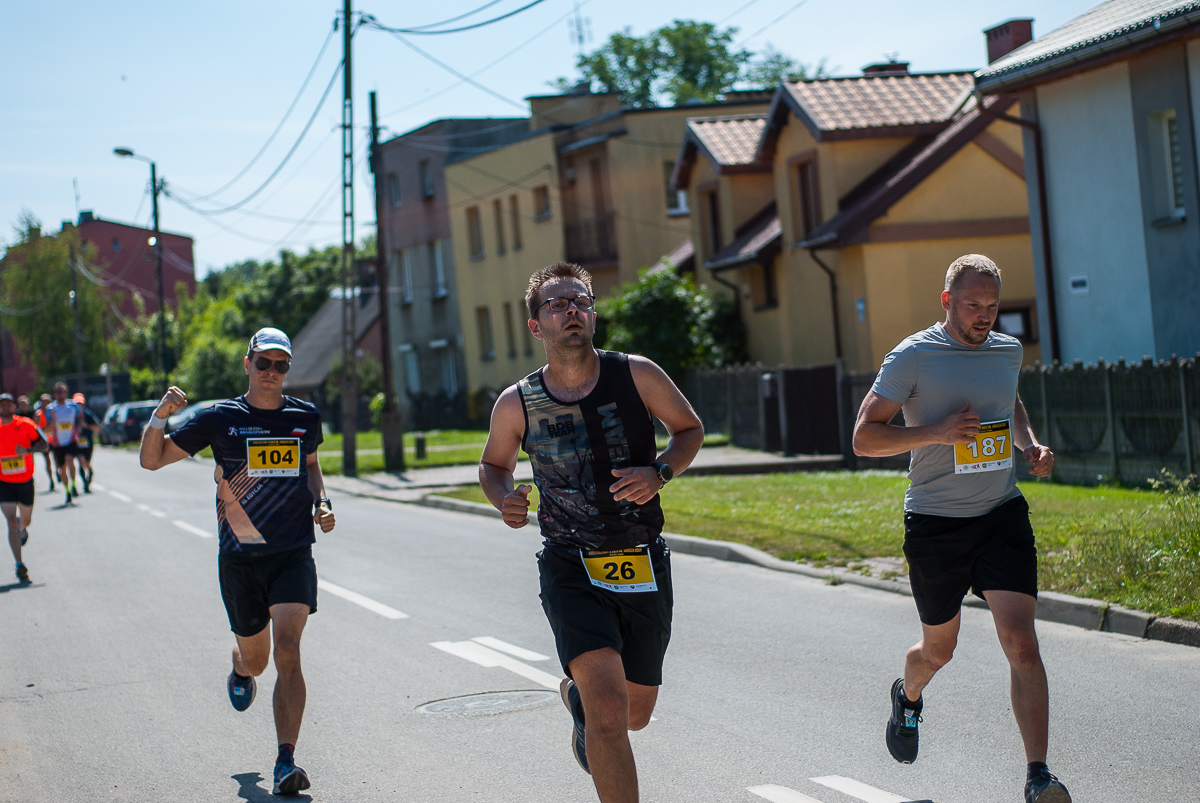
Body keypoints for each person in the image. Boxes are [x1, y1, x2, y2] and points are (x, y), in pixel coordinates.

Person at [480, 262, 704, 803]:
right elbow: (493, 466)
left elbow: (689, 429)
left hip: (641, 556)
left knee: (635, 713)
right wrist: (504, 498)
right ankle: (591, 706)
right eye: (556, 305)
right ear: (537, 327)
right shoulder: (518, 402)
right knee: (609, 711)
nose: (570, 311)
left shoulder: (637, 375)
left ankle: (579, 703)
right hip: (569, 562)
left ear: (593, 313)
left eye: (579, 301)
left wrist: (662, 472)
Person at [852, 255, 1069, 803]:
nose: (984, 316)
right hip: (936, 523)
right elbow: (864, 437)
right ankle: (908, 693)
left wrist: (1029, 444)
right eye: (973, 305)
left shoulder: (1007, 350)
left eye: (992, 307)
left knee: (1021, 641)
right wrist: (937, 431)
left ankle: (1038, 774)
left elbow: (1009, 400)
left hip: (1000, 514)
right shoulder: (914, 355)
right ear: (947, 301)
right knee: (938, 651)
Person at [139, 327, 334, 797]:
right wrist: (159, 416)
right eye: (263, 363)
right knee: (258, 658)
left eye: (280, 365)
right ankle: (241, 668)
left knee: (289, 649)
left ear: (288, 370)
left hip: (292, 553)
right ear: (247, 364)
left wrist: (322, 502)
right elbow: (152, 460)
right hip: (241, 560)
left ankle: (285, 761)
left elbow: (310, 465)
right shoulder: (220, 418)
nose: (271, 372)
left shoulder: (304, 417)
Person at [0, 393, 47, 584]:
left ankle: (23, 527)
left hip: (25, 481)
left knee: (24, 520)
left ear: (14, 407)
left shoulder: (26, 424)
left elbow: (44, 445)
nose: (5, 408)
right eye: (1, 405)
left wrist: (27, 450)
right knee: (10, 521)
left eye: (8, 404)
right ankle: (19, 564)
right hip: (4, 483)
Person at [45, 383, 83, 504]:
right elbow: (48, 428)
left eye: (62, 391)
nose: (60, 394)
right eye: (57, 392)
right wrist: (54, 420)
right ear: (54, 394)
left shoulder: (73, 405)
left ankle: (73, 485)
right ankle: (67, 491)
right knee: (62, 469)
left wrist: (78, 427)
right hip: (58, 443)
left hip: (71, 440)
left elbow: (80, 416)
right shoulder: (51, 409)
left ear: (66, 393)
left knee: (69, 460)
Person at [72, 393, 101, 493]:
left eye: (80, 403)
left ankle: (90, 473)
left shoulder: (88, 414)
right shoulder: (71, 415)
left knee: (87, 463)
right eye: (77, 403)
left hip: (88, 442)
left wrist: (87, 426)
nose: (79, 406)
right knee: (80, 461)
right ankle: (85, 483)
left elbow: (97, 426)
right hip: (77, 442)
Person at [31, 394, 55, 492]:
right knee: (48, 462)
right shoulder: (38, 414)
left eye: (47, 401)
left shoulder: (54, 411)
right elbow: (35, 427)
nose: (46, 403)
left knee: (57, 461)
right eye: (44, 401)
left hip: (55, 441)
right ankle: (51, 480)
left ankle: (58, 473)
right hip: (45, 441)